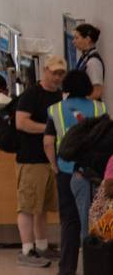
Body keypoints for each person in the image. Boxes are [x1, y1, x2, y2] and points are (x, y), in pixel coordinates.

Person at [45, 70, 107, 275]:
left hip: (65, 170)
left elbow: (48, 142)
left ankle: (67, 269)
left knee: (69, 221)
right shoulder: (100, 108)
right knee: (94, 220)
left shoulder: (56, 110)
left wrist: (54, 166)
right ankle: (94, 266)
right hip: (93, 174)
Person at [14, 54, 66, 268]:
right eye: (54, 73)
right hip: (31, 159)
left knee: (43, 206)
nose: (57, 78)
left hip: (50, 159)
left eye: (61, 74)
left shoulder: (61, 96)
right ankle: (27, 249)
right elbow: (21, 123)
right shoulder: (31, 95)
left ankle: (42, 245)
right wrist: (48, 130)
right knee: (27, 206)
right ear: (45, 71)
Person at [71, 23, 104, 100]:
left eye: (77, 38)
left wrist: (81, 104)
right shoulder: (85, 57)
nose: (73, 41)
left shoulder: (93, 62)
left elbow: (97, 92)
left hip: (89, 109)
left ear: (88, 39)